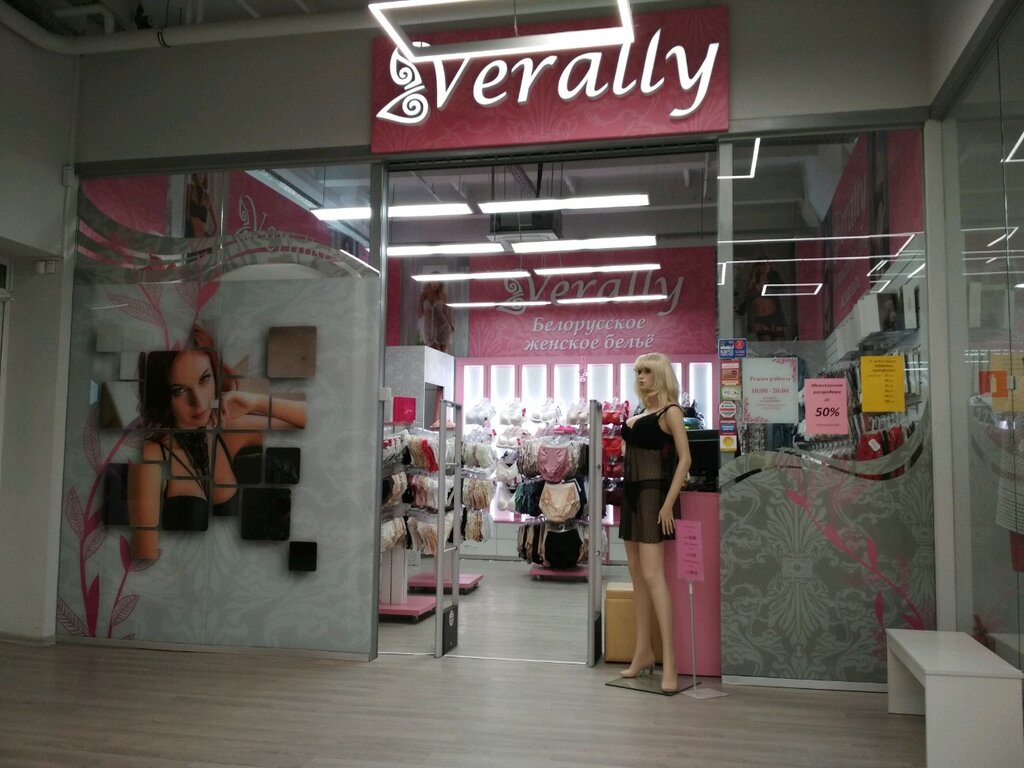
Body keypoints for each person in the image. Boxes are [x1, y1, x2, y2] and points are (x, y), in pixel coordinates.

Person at [137, 325, 306, 530]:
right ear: (162, 394)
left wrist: (256, 402)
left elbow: (309, 420)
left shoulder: (226, 427)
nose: (200, 403)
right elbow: (145, 541)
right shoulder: (154, 453)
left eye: (204, 379)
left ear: (215, 374)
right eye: (179, 390)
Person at [618, 352, 692, 693]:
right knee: (637, 577)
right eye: (638, 371)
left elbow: (685, 459)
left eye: (647, 371)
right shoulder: (641, 412)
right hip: (631, 495)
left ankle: (671, 662)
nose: (641, 376)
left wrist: (668, 503)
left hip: (652, 496)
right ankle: (643, 651)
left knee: (653, 576)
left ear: (660, 374)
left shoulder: (670, 411)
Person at [740, 262, 787, 340]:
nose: (765, 267)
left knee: (779, 344)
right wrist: (739, 310)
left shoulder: (774, 280)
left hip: (775, 316)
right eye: (762, 264)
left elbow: (783, 290)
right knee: (765, 344)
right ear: (757, 267)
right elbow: (748, 300)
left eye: (767, 264)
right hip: (759, 318)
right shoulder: (752, 282)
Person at [417, 280, 455, 353]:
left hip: (443, 328)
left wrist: (451, 324)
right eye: (433, 281)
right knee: (436, 352)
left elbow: (446, 312)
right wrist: (420, 301)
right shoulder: (424, 296)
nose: (434, 284)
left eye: (437, 282)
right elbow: (419, 315)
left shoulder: (443, 295)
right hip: (429, 330)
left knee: (442, 354)